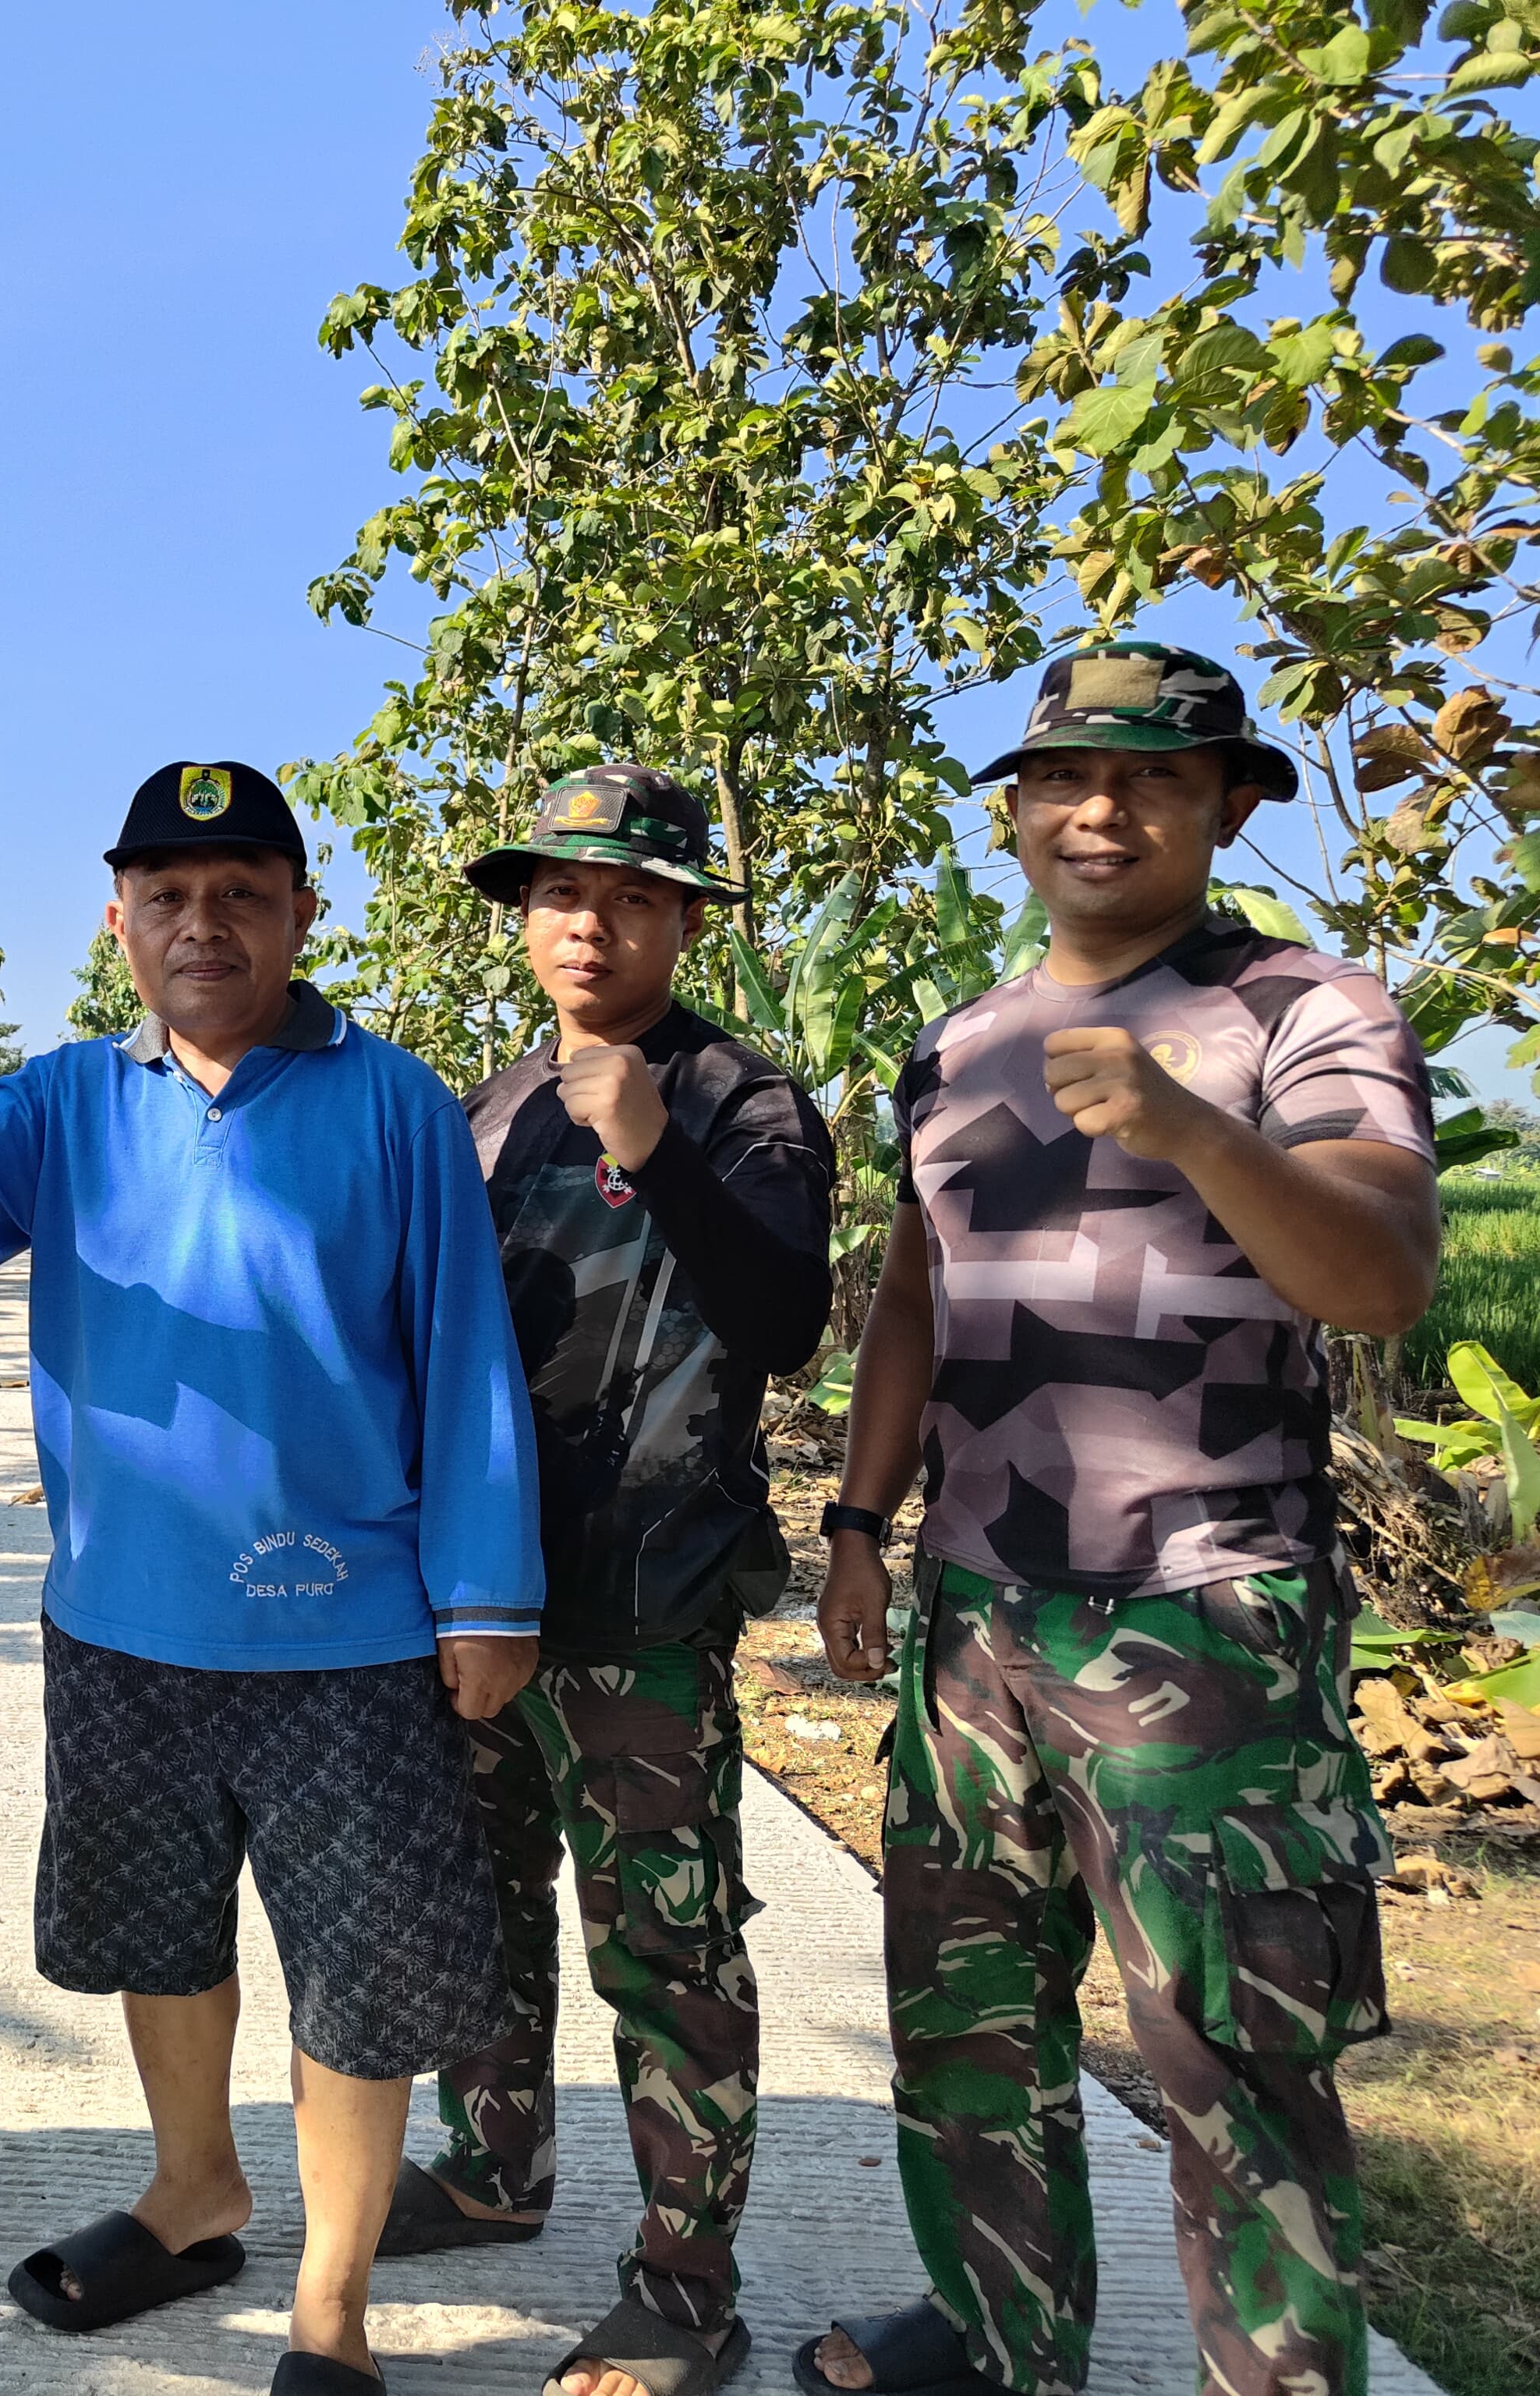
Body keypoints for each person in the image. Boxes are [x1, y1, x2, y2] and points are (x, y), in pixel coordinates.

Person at [0, 757, 543, 2396]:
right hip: (122, 1622)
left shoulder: (394, 1105)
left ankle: (331, 2306)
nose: (203, 923)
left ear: (301, 913)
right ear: (117, 920)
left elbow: (466, 1357)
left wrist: (487, 1598)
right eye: (168, 895)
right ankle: (194, 2190)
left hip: (347, 1635)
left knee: (356, 1978)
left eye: (241, 894)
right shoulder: (63, 1101)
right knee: (158, 1932)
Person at [799, 643, 1439, 2396]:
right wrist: (858, 1524)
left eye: (1154, 776)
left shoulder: (1306, 1012)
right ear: (1012, 811)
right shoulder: (956, 1043)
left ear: (1226, 805)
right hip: (975, 1614)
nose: (1103, 809)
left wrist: (1192, 1129)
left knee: (1231, 2052)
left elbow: (1379, 1278)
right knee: (965, 2019)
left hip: (1205, 1613)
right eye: (1065, 777)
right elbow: (913, 1300)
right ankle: (1001, 2335)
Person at [380, 766, 830, 2396]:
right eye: (563, 893)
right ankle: (494, 2168)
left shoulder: (741, 1103)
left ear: (684, 921)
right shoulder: (488, 1106)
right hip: (479, 1593)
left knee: (664, 1945)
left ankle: (686, 2287)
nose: (592, 923)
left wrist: (657, 1152)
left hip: (643, 1599)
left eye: (635, 896)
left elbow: (786, 1322)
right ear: (524, 917)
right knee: (479, 1906)